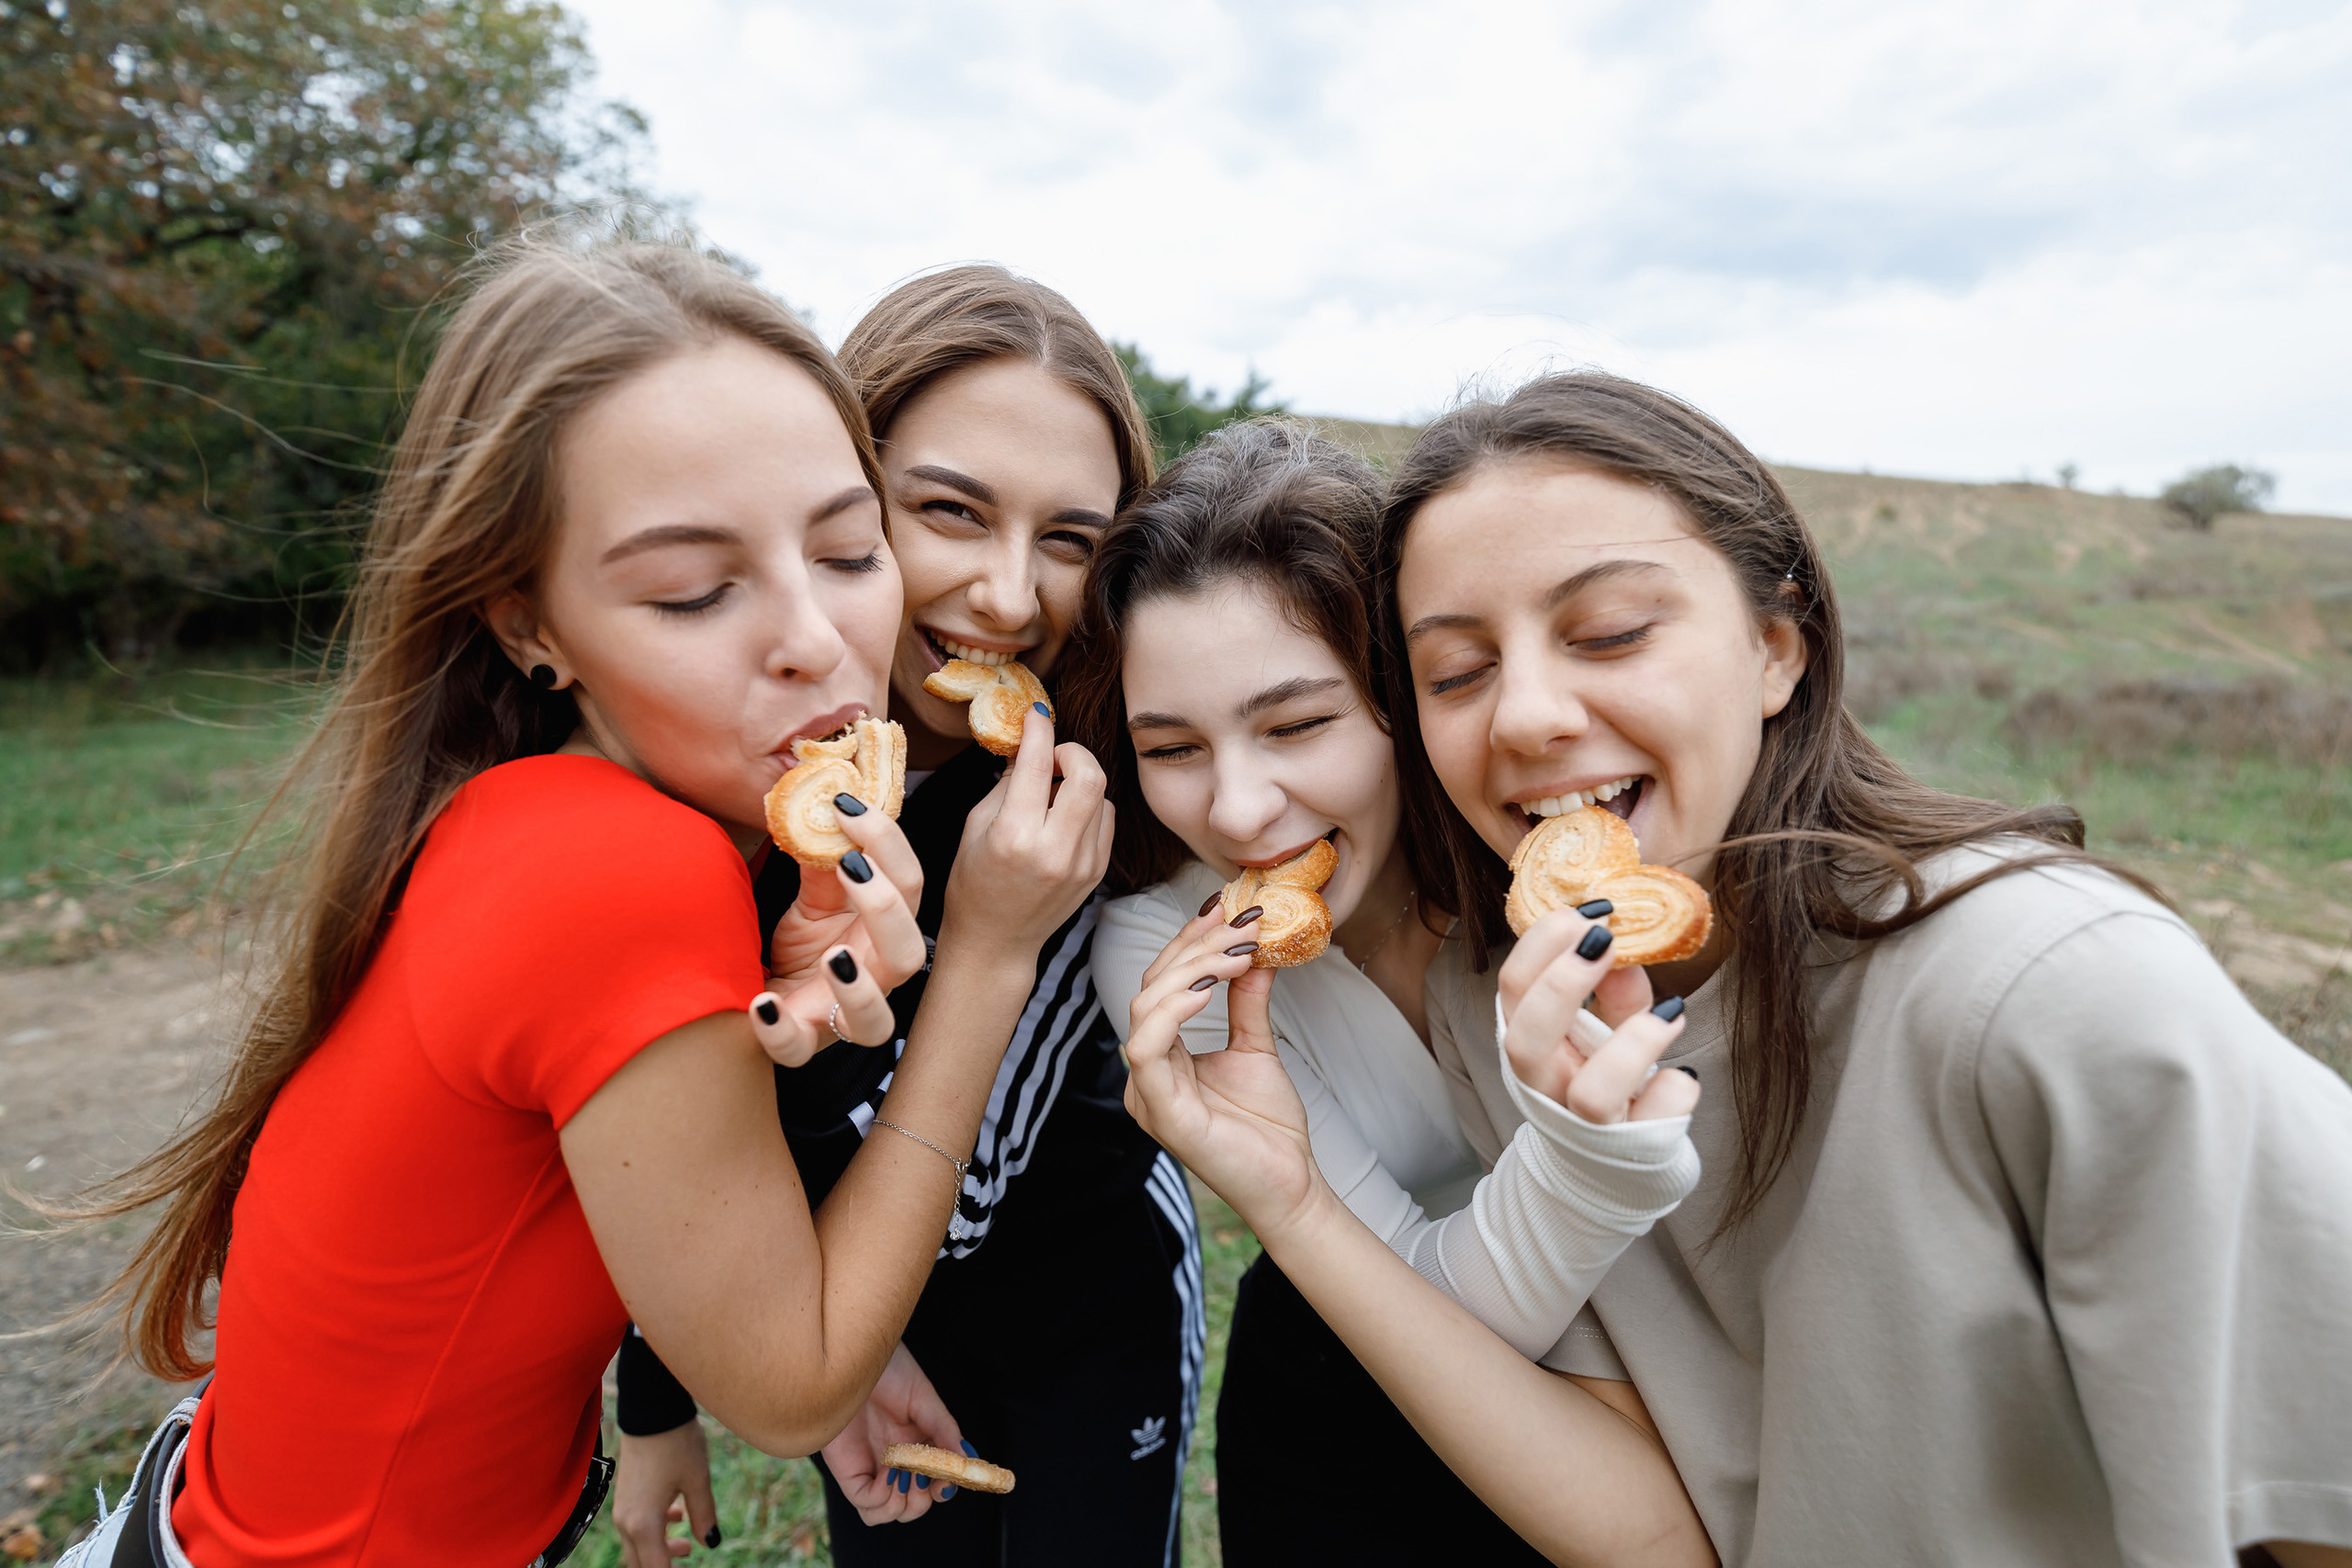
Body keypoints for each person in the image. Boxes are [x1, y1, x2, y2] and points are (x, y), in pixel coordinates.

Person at [1142, 373, 2352, 1565]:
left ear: (1777, 646)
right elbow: (1661, 1537)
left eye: (1611, 632)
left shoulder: (2052, 989)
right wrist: (1295, 1202)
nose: (1525, 716)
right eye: (1456, 672)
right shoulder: (1511, 1008)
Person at [53, 237, 1112, 1568]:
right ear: (527, 624)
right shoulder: (628, 870)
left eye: (850, 552)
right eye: (692, 591)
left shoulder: (530, 806)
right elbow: (792, 1388)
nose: (816, 638)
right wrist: (990, 960)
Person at [611, 265, 1206, 1568]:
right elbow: (655, 1118)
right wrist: (660, 1394)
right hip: (849, 1334)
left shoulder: (1073, 810)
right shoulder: (728, 769)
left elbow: (965, 1197)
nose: (1008, 598)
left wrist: (993, 934)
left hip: (1087, 1314)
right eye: (949, 511)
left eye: (1070, 540)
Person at [1068, 420, 1713, 1567]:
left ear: (1412, 694)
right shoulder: (1167, 951)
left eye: (1297, 724)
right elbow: (1425, 1299)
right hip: (1355, 1392)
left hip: (1660, 1360)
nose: (1238, 811)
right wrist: (1591, 1168)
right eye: (1171, 749)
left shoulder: (1558, 857)